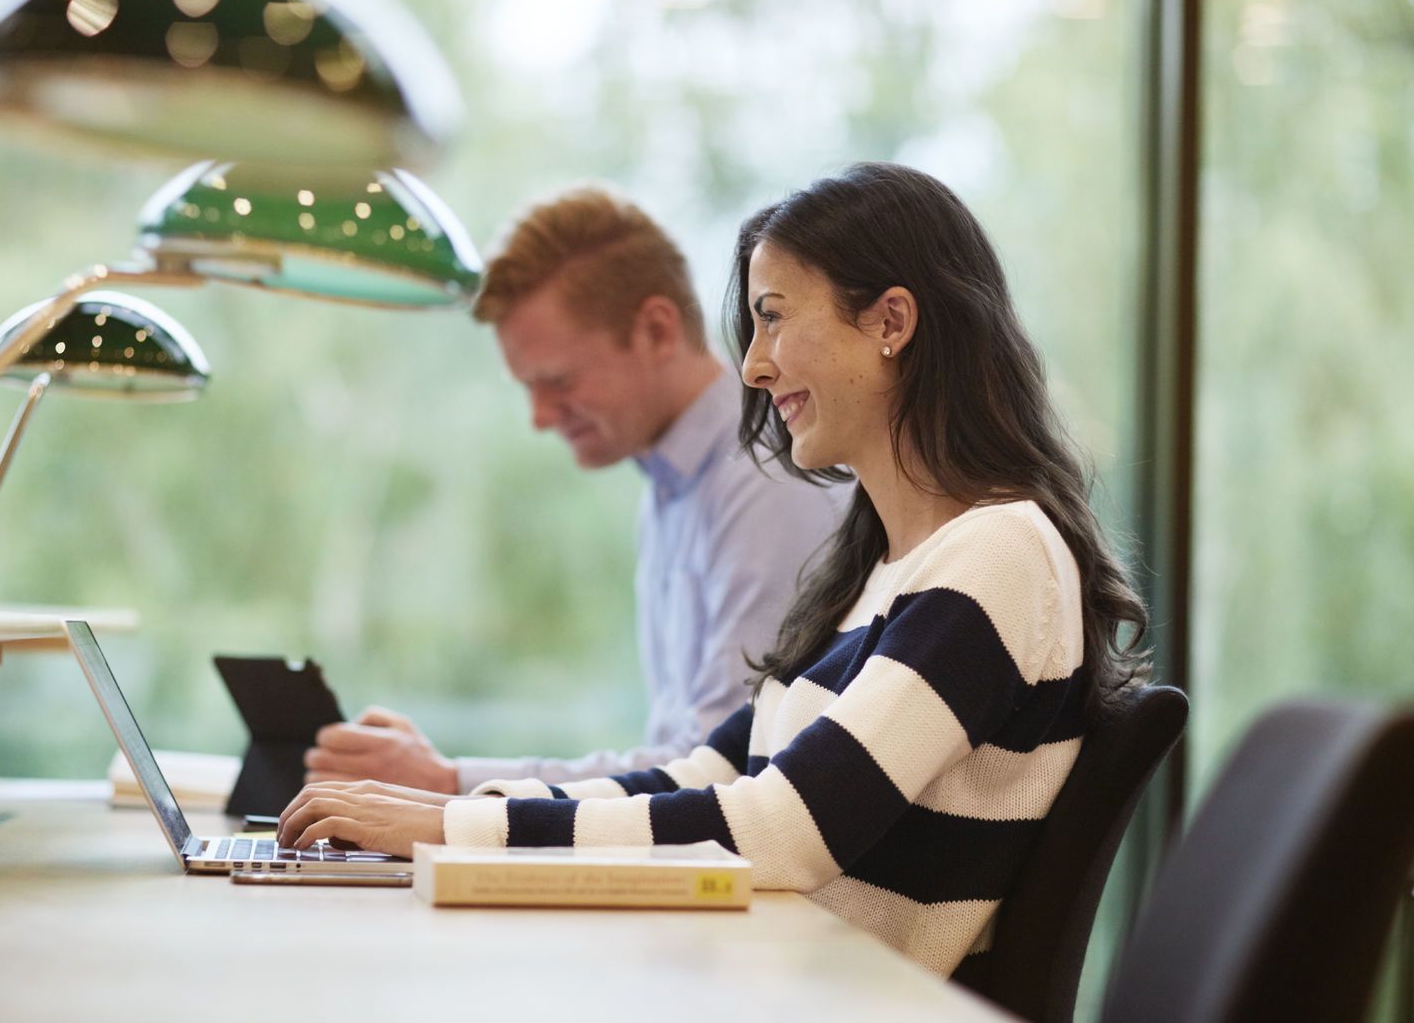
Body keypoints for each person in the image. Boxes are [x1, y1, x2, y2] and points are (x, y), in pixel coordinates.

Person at [278, 163, 1149, 977]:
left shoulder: (998, 552)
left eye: (774, 315)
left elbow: (785, 829)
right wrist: (466, 813)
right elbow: (707, 774)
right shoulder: (878, 569)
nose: (753, 365)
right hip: (771, 979)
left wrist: (459, 821)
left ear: (891, 322)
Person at [304, 187, 841, 794]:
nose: (538, 417)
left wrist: (451, 781)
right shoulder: (673, 482)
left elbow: (718, 774)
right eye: (527, 387)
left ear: (657, 330)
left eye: (558, 381)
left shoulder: (765, 481)